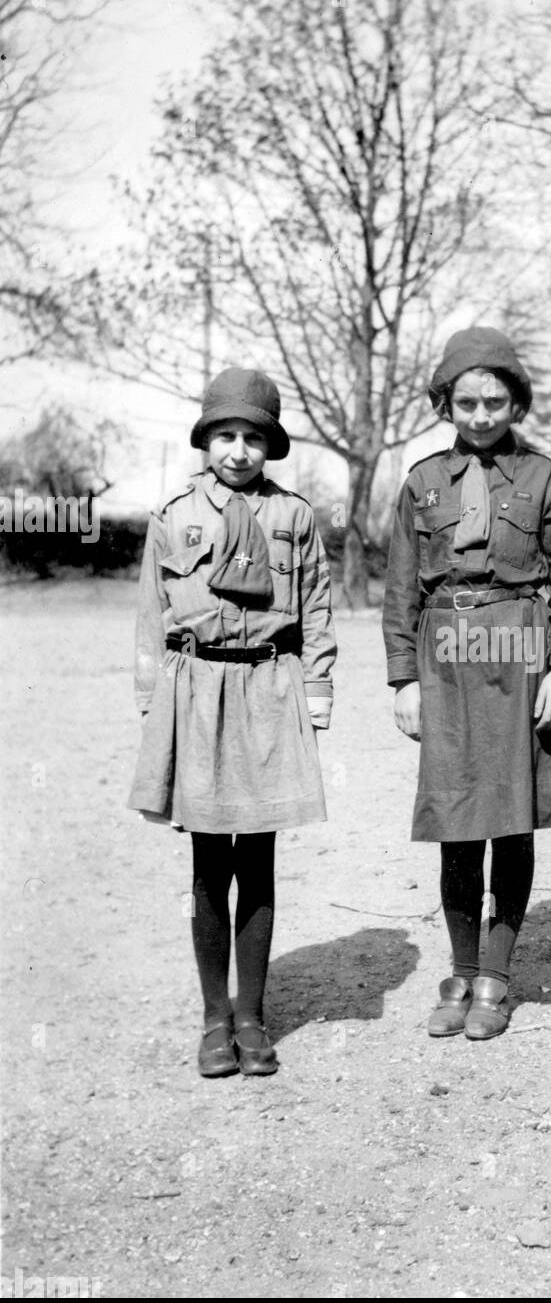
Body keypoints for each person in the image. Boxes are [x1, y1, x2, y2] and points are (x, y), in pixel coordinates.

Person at [384, 327, 551, 1040]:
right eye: (466, 401)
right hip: (446, 650)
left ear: (516, 403)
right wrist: (404, 680)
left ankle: (497, 980)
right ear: (446, 402)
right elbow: (399, 591)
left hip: (521, 648)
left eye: (495, 401)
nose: (480, 415)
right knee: (455, 818)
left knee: (512, 813)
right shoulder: (421, 483)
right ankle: (462, 969)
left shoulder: (544, 478)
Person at [129, 367, 336, 1078]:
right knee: (209, 859)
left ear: (270, 445)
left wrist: (318, 691)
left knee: (261, 858)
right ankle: (215, 1018)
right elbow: (151, 616)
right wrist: (152, 702)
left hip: (269, 686)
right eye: (226, 435)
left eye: (253, 437)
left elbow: (316, 607)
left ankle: (253, 1015)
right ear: (206, 440)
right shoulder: (174, 515)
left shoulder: (294, 517)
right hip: (198, 687)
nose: (239, 451)